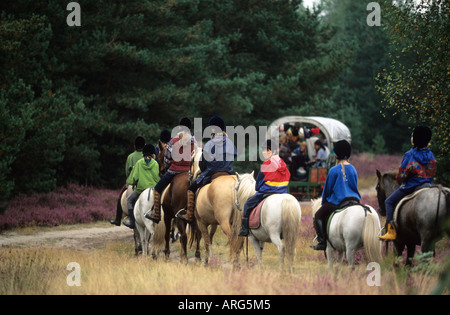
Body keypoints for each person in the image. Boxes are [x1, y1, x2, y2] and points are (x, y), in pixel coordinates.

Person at [379, 126, 436, 241]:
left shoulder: (410, 154)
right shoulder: (430, 154)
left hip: (411, 186)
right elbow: (432, 172)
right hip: (428, 186)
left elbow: (402, 175)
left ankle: (391, 231)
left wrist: (399, 179)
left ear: (414, 139)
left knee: (388, 201)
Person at [177, 115, 237, 223]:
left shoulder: (209, 144)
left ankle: (189, 214)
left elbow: (202, 163)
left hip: (212, 172)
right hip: (229, 172)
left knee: (191, 188)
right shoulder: (230, 142)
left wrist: (206, 168)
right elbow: (234, 156)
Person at [310, 140, 361, 250]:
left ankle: (322, 241)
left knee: (318, 215)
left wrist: (324, 204)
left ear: (337, 154)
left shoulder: (334, 170)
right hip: (354, 201)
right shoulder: (353, 169)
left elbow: (327, 191)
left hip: (338, 202)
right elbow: (355, 186)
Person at [146, 118, 196, 223]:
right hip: (187, 171)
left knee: (157, 188)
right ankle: (191, 212)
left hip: (174, 171)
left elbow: (167, 158)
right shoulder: (194, 141)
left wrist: (169, 167)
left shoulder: (173, 140)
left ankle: (156, 214)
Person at [238, 139, 291, 237]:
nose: (264, 152)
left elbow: (259, 182)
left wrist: (259, 188)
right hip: (283, 191)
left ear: (273, 151)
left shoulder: (267, 163)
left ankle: (244, 230)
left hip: (268, 191)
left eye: (266, 150)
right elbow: (288, 175)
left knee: (247, 204)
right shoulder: (282, 163)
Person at [110, 136, 145, 226]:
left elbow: (127, 172)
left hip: (134, 182)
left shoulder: (130, 157)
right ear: (144, 145)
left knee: (121, 195)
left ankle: (118, 219)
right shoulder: (146, 156)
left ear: (134, 146)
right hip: (146, 181)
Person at [123, 144, 160, 228]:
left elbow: (133, 178)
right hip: (153, 189)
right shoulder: (155, 163)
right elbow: (157, 178)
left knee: (129, 200)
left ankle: (131, 222)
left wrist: (132, 183)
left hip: (141, 189)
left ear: (143, 154)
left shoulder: (139, 163)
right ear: (153, 154)